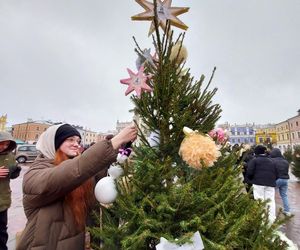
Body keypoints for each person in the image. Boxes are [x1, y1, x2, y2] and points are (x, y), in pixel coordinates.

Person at [16, 123, 137, 250]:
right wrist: (113, 142)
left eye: (78, 141)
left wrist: (121, 147)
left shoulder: (78, 170)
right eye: (70, 139)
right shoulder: (36, 173)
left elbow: (96, 171)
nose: (76, 144)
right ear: (54, 142)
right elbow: (72, 171)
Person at [0, 131, 21, 250]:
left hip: (3, 201)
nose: (4, 146)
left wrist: (15, 171)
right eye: (1, 143)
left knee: (2, 230)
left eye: (6, 144)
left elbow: (13, 176)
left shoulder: (10, 156)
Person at [246, 145, 278, 223]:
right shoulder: (272, 160)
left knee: (259, 201)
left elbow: (249, 172)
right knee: (271, 201)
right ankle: (271, 220)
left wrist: (251, 180)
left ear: (256, 152)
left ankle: (261, 220)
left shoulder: (254, 160)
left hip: (258, 183)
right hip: (270, 184)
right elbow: (277, 173)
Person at [270, 148, 291, 216]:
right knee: (284, 195)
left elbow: (272, 172)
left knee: (271, 194)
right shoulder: (285, 161)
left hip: (277, 179)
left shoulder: (272, 161)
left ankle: (270, 211)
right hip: (285, 179)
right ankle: (287, 211)